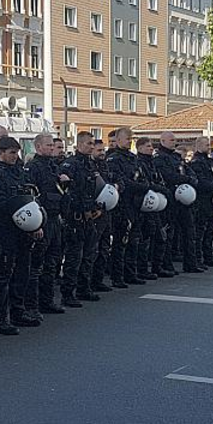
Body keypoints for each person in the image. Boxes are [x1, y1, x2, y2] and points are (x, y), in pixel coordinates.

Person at [0, 136, 42, 335]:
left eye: (17, 153)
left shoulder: (20, 172)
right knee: (2, 276)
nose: (15, 157)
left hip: (23, 230)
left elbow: (31, 198)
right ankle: (1, 319)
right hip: (5, 229)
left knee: (22, 274)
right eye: (11, 153)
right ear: (1, 153)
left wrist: (36, 223)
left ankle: (18, 311)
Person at [59, 131, 105, 306]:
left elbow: (96, 189)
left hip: (91, 216)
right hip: (76, 217)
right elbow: (70, 193)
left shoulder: (91, 165)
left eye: (93, 144)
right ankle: (68, 293)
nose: (91, 146)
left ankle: (84, 288)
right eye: (88, 143)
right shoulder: (70, 165)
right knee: (74, 257)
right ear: (79, 145)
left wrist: (97, 208)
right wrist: (84, 209)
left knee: (89, 255)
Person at [24, 133, 67, 313]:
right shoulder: (33, 167)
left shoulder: (53, 166)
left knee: (52, 263)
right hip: (42, 219)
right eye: (48, 145)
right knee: (37, 266)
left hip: (55, 218)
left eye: (53, 145)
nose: (51, 148)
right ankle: (32, 305)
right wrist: (36, 225)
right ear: (38, 147)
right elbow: (31, 196)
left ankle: (47, 301)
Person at [154, 132, 203, 273]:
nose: (174, 142)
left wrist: (191, 179)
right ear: (162, 140)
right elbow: (168, 176)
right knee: (169, 234)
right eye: (171, 140)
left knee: (189, 232)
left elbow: (189, 171)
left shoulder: (176, 157)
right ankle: (166, 265)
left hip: (185, 200)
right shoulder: (159, 158)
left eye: (174, 140)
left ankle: (191, 263)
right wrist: (186, 179)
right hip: (171, 199)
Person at [105, 127, 147, 287]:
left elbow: (143, 177)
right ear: (118, 140)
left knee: (134, 241)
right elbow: (123, 182)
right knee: (120, 242)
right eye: (127, 138)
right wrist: (139, 186)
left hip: (135, 204)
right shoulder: (114, 159)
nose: (130, 141)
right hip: (122, 206)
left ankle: (131, 273)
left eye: (131, 139)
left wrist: (143, 186)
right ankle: (117, 276)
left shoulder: (133, 158)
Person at [135, 137, 172, 277]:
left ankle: (157, 266)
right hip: (145, 205)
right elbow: (146, 182)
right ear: (140, 148)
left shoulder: (151, 163)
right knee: (145, 238)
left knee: (159, 236)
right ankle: (143, 269)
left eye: (151, 146)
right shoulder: (139, 163)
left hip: (156, 204)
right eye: (148, 146)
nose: (151, 148)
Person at [188, 136, 213, 267]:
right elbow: (201, 182)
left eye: (209, 145)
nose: (209, 147)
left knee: (210, 229)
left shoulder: (210, 162)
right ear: (198, 146)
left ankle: (208, 257)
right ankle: (198, 259)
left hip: (212, 200)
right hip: (202, 200)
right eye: (206, 145)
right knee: (200, 231)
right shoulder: (196, 162)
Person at [89, 139, 114, 292]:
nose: (102, 153)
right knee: (93, 249)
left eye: (103, 150)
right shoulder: (89, 167)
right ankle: (88, 282)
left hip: (107, 211)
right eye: (98, 150)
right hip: (95, 213)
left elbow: (115, 181)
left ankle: (98, 280)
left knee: (105, 247)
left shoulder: (105, 166)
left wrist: (117, 185)